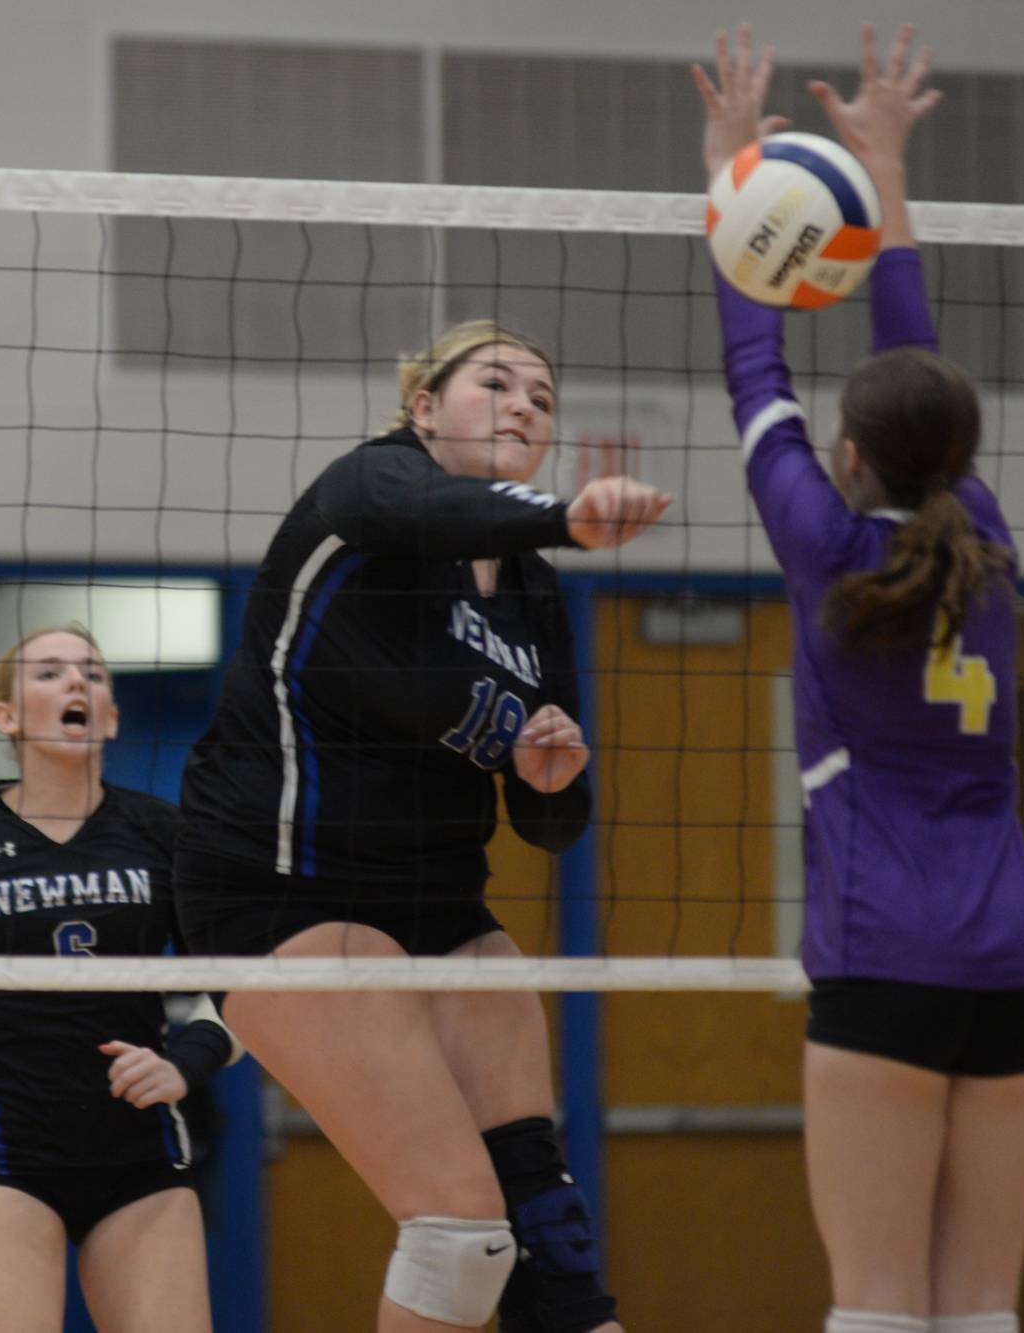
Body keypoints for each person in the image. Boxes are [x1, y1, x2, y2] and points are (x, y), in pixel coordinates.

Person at [175, 318, 670, 1333]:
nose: (524, 405)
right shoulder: (364, 491)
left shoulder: (531, 591)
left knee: (550, 1236)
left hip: (442, 903)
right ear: (422, 406)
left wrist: (547, 769)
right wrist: (568, 514)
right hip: (283, 888)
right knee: (460, 1229)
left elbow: (552, 823)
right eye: (495, 382)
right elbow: (417, 504)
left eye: (542, 398)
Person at [693, 25, 1024, 1333]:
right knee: (979, 1312)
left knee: (875, 1308)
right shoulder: (989, 540)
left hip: (885, 957)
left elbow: (756, 364)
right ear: (952, 453)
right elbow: (918, 370)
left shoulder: (826, 548)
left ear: (849, 455)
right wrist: (886, 164)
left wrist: (736, 172)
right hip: (1021, 966)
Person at [0, 623, 243, 1333]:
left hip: (141, 1149)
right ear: (8, 716)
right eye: (50, 673)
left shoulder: (169, 835)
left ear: (112, 715)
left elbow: (240, 986)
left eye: (93, 674)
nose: (76, 683)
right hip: (6, 1149)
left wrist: (185, 1064)